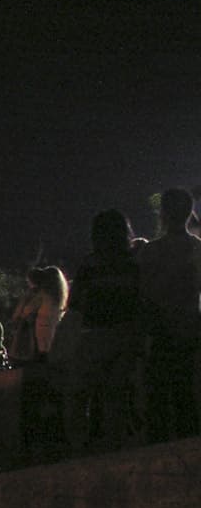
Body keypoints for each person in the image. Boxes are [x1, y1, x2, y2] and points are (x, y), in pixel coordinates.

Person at [70, 210, 144, 450]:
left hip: (95, 335)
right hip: (126, 334)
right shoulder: (132, 264)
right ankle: (118, 443)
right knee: (116, 393)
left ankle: (81, 443)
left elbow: (75, 303)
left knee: (83, 393)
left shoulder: (89, 265)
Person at [135, 187, 201, 441]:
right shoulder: (196, 248)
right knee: (187, 396)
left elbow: (142, 295)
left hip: (159, 333)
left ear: (163, 214)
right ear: (188, 214)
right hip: (188, 331)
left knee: (159, 400)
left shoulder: (150, 252)